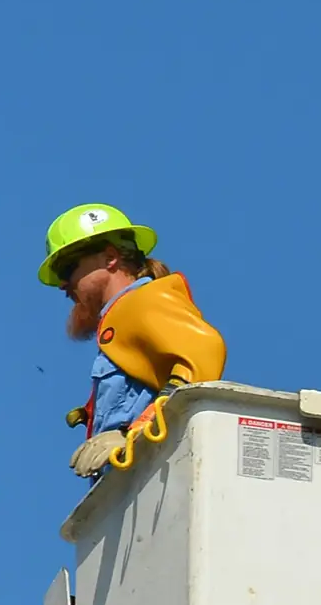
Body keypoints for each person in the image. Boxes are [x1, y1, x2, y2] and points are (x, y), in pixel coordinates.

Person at [39, 203, 226, 477]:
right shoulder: (122, 314)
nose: (63, 284)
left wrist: (134, 431)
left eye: (67, 269)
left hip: (155, 479)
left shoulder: (142, 302)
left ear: (111, 257)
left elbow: (205, 352)